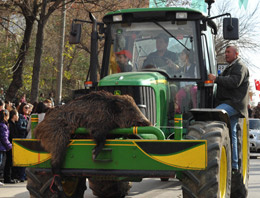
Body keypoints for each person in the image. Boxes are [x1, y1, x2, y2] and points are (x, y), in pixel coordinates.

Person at [208, 44, 249, 173]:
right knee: (233, 134)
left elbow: (233, 82)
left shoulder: (240, 67)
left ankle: (215, 156)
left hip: (234, 104)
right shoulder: (231, 67)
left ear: (236, 54)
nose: (226, 54)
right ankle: (235, 166)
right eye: (225, 52)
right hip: (231, 103)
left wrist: (216, 79)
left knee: (215, 114)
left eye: (228, 52)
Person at [4, 109, 19, 184]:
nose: (18, 116)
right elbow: (10, 135)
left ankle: (12, 177)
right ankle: (7, 178)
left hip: (12, 145)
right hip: (10, 145)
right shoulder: (10, 124)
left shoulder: (14, 124)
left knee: (11, 162)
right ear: (14, 116)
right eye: (17, 115)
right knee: (8, 162)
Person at [16, 103, 30, 182]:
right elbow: (20, 126)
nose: (27, 109)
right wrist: (27, 128)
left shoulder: (27, 117)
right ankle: (21, 175)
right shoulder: (21, 116)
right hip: (22, 138)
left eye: (28, 108)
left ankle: (24, 175)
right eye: (26, 107)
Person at [0, 110, 12, 186]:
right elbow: (4, 138)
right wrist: (10, 146)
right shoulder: (3, 126)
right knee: (1, 163)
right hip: (1, 148)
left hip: (3, 147)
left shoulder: (3, 125)